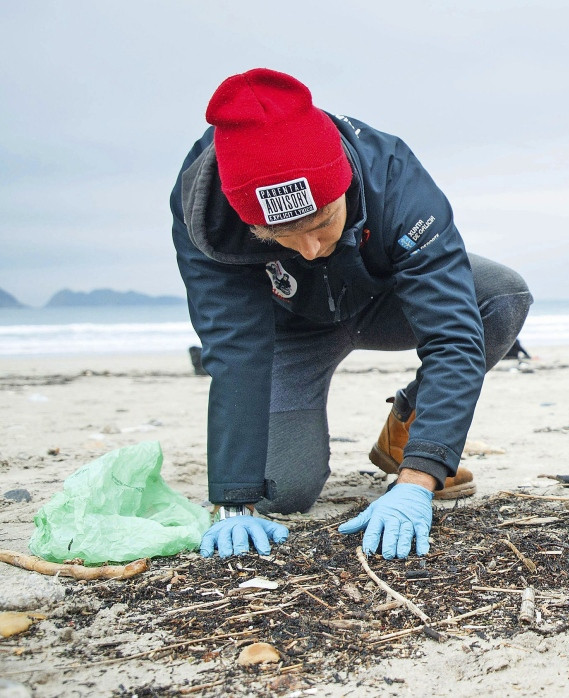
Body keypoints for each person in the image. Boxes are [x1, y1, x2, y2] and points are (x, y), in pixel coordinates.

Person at [172, 68, 531, 559]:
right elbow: (234, 349)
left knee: (500, 296)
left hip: (384, 298)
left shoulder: (392, 175)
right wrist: (233, 500)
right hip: (290, 330)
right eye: (283, 238)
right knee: (284, 492)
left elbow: (451, 331)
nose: (312, 248)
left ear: (343, 182)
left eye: (323, 223)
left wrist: (420, 477)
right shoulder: (206, 210)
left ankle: (406, 431)